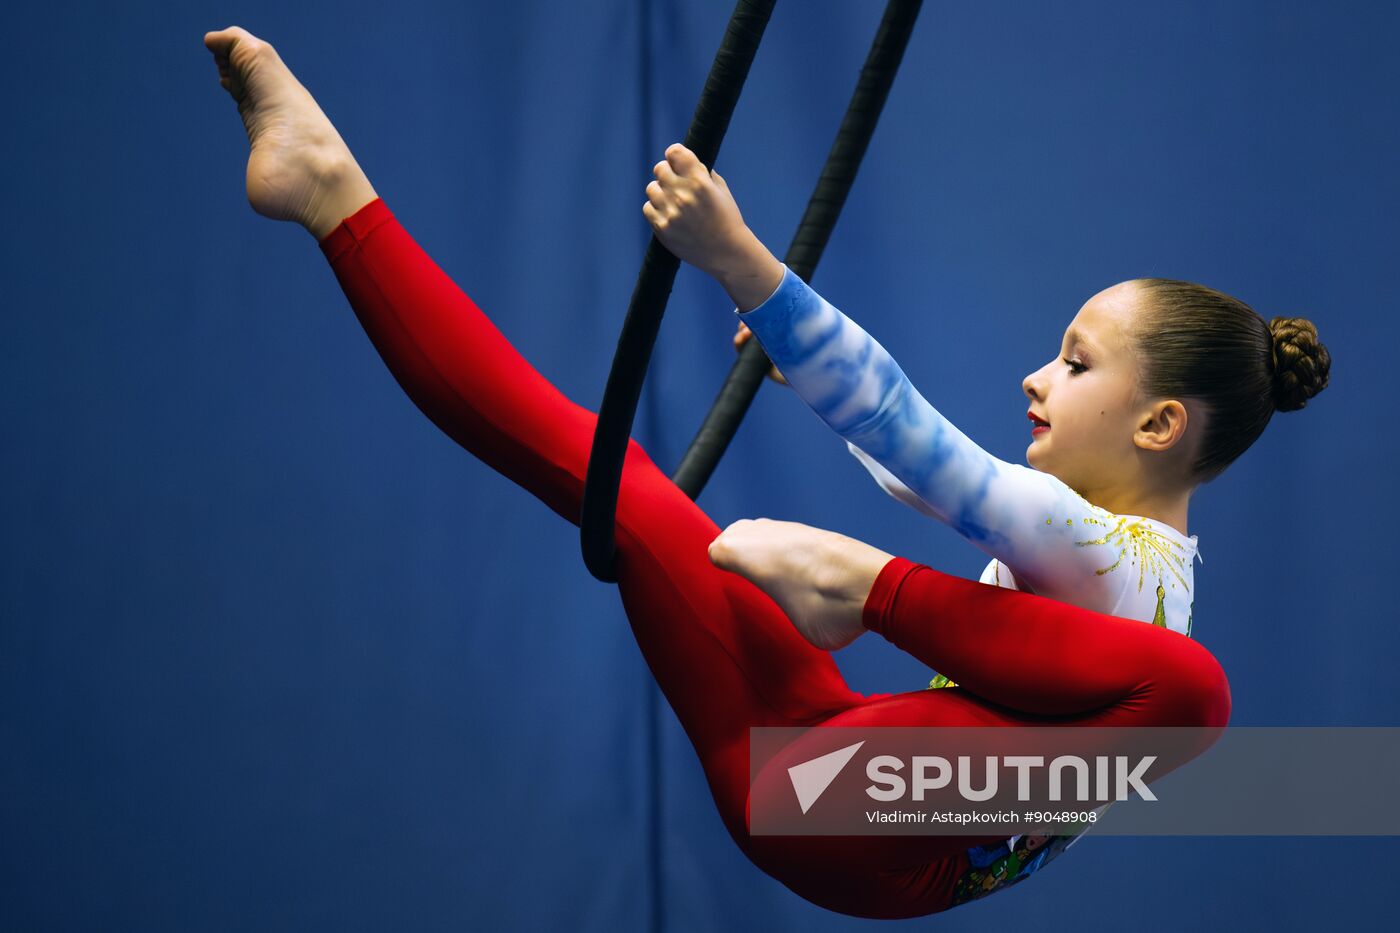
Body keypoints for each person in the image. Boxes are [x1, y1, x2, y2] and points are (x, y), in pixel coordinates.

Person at [203, 26, 1237, 918]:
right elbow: (918, 472)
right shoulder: (1109, 565)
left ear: (1158, 424)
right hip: (827, 767)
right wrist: (801, 358)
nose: (1036, 376)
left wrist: (742, 261)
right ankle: (329, 190)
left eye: (1075, 363)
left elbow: (916, 441)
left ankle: (862, 589)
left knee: (1192, 694)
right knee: (612, 474)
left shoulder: (1122, 563)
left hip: (868, 820)